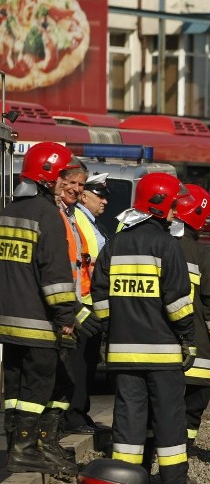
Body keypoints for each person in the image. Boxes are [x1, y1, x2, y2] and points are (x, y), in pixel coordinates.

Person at [90, 172, 197, 484]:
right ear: (161, 205)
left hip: (123, 353)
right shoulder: (167, 245)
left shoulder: (115, 244)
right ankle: (174, 482)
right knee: (168, 418)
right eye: (175, 206)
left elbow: (100, 297)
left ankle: (125, 482)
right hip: (162, 354)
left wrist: (111, 330)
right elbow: (178, 303)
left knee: (128, 418)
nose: (178, 212)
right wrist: (187, 338)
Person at [0, 142, 79, 474]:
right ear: (49, 176)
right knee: (38, 385)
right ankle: (24, 448)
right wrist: (66, 316)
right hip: (37, 321)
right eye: (63, 175)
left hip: (7, 320)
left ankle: (12, 445)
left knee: (14, 386)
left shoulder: (6, 212)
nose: (66, 182)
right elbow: (55, 275)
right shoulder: (48, 215)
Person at [172, 184, 210, 449]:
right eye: (205, 216)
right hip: (197, 353)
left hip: (159, 351)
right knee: (192, 410)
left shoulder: (153, 246)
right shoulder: (203, 257)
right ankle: (180, 456)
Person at [57, 169, 108, 435]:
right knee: (77, 365)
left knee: (85, 364)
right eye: (99, 194)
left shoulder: (82, 218)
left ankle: (80, 413)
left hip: (86, 301)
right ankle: (73, 417)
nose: (105, 201)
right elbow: (90, 260)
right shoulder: (75, 216)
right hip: (79, 303)